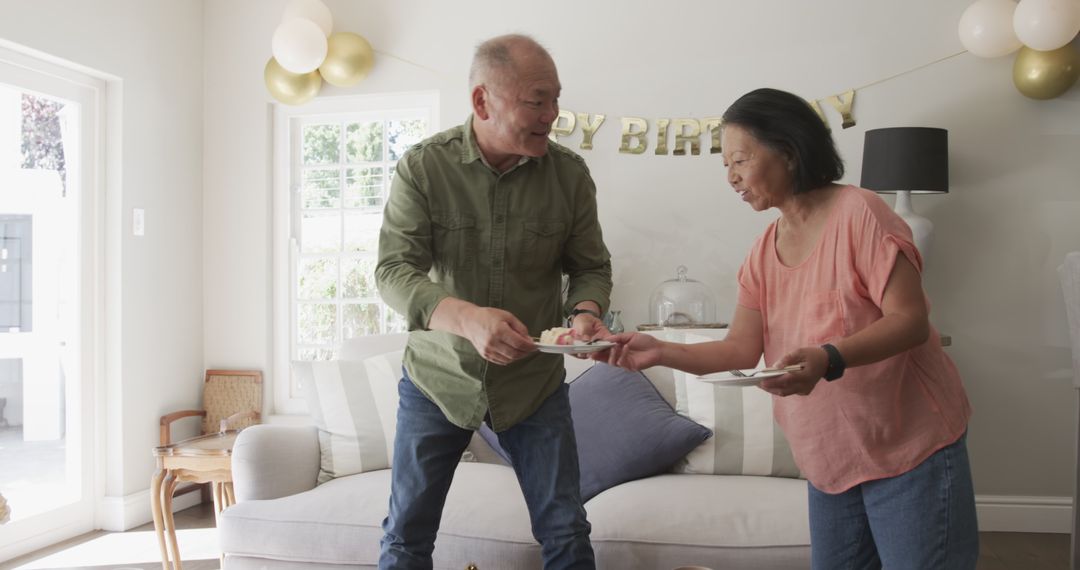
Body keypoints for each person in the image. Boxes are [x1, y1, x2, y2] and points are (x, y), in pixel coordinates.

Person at [602, 88, 978, 569]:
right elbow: (740, 349)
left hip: (909, 449)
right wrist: (657, 351)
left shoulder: (861, 214)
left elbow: (908, 320)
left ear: (789, 152)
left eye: (740, 159)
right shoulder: (762, 251)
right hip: (829, 463)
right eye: (725, 165)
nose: (731, 177)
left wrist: (828, 358)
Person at [374, 34, 612, 570]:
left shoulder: (570, 175)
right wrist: (468, 318)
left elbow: (592, 266)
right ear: (483, 101)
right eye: (537, 100)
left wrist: (586, 314)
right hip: (438, 379)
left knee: (567, 533)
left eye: (555, 99)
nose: (552, 114)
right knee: (406, 537)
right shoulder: (423, 168)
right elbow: (392, 271)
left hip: (534, 386)